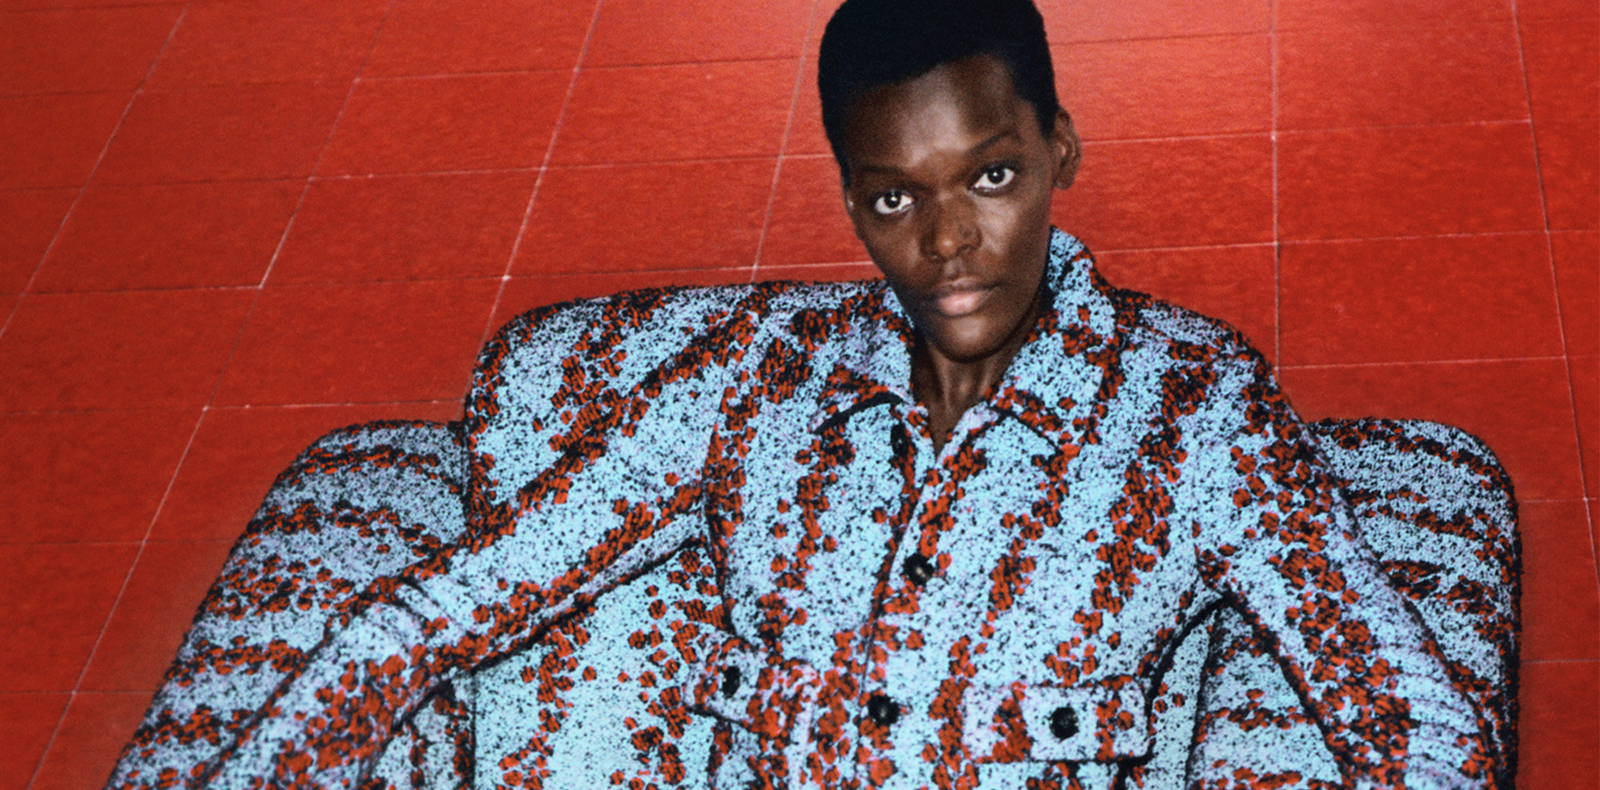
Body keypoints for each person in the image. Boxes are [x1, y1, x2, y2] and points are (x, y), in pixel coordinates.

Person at [108, 0, 1517, 787]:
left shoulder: (1192, 408)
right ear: (850, 198)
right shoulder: (756, 384)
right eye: (894, 197)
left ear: (1061, 149)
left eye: (991, 176)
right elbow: (457, 602)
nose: (948, 243)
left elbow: (1407, 711)